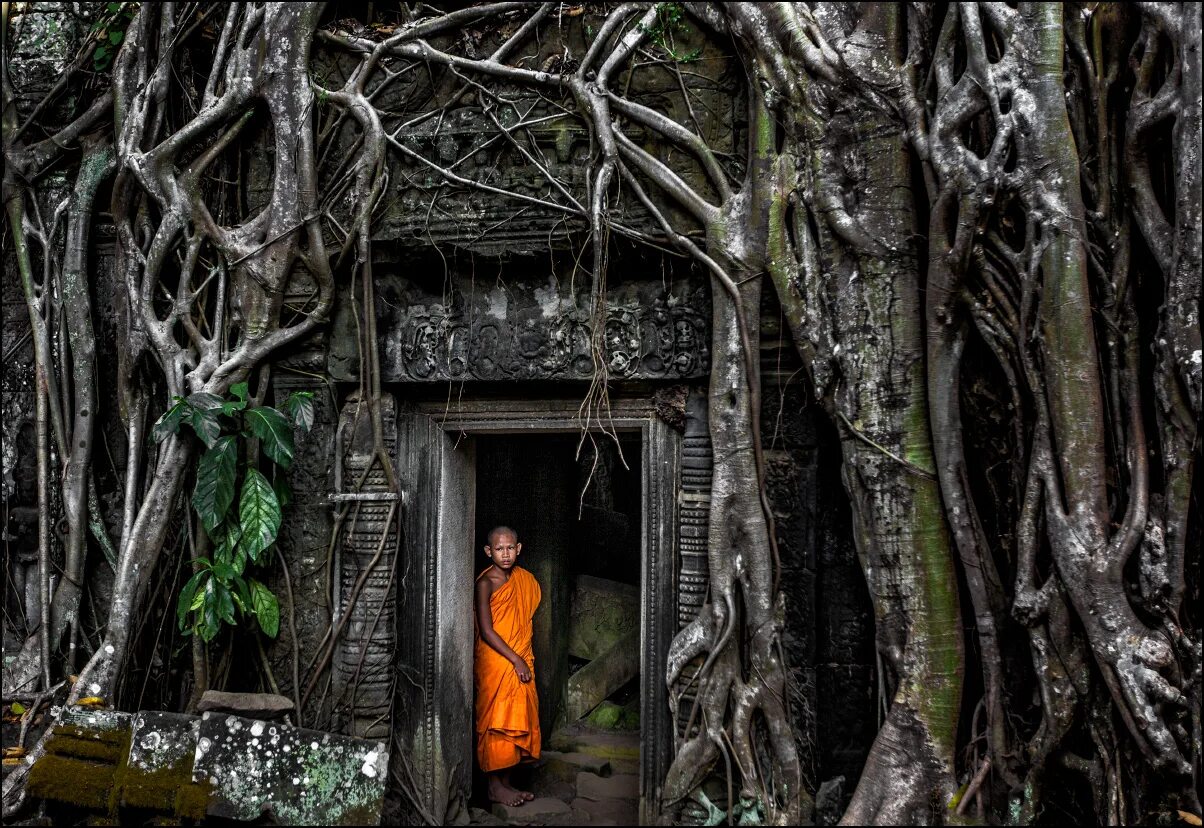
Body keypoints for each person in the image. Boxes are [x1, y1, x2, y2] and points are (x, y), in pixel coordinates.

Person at [475, 525, 541, 808]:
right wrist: (515, 660)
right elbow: (487, 630)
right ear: (489, 551)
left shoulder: (524, 580)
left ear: (519, 549)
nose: (505, 554)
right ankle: (493, 787)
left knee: (516, 719)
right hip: (497, 659)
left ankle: (506, 784)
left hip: (519, 656)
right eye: (499, 549)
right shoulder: (485, 583)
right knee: (495, 723)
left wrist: (519, 658)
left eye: (510, 548)